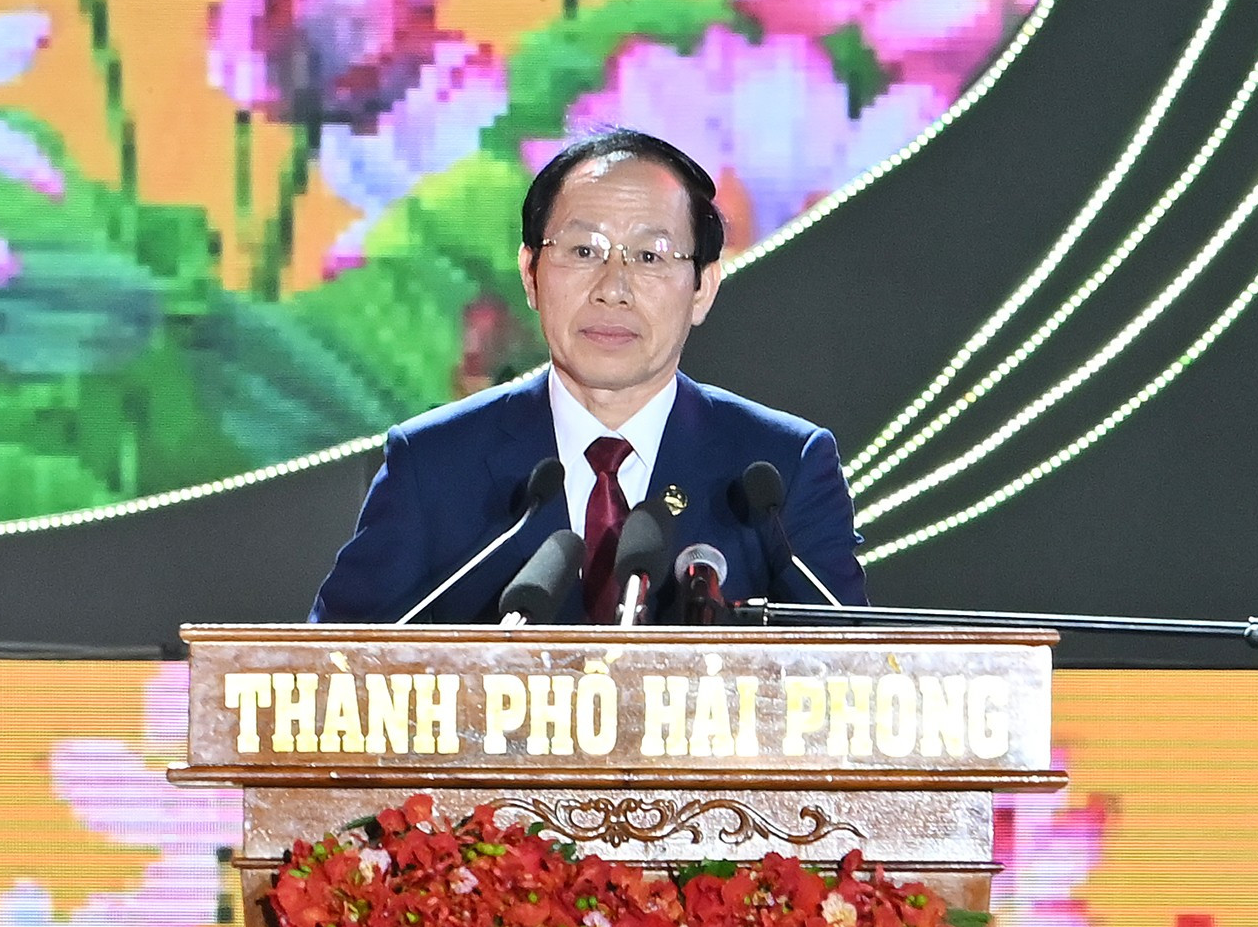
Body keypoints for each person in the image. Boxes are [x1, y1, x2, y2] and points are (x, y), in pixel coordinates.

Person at [310, 128, 867, 623]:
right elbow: (315, 678)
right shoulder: (433, 465)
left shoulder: (778, 472)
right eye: (583, 250)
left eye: (650, 257)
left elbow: (854, 685)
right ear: (530, 275)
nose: (612, 287)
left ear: (703, 287)